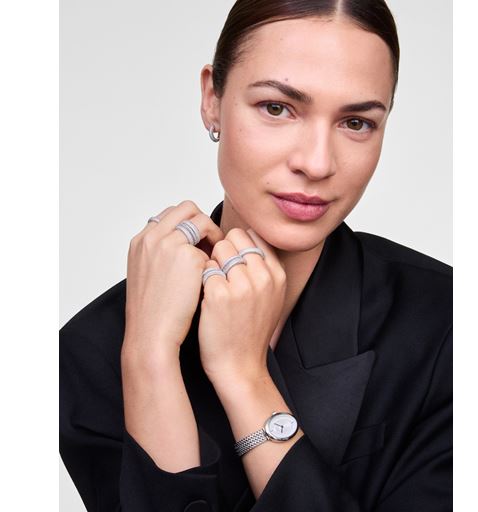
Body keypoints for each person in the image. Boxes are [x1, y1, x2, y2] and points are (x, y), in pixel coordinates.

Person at [60, 1, 452, 511]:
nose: (316, 163)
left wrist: (245, 379)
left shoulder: (448, 324)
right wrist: (149, 358)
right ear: (212, 100)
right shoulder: (94, 349)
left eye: (356, 122)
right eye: (277, 108)